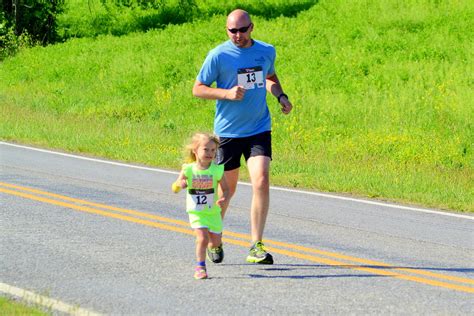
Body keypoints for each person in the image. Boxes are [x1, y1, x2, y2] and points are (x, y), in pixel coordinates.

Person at [192, 9, 293, 265]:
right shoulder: (218, 55)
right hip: (227, 133)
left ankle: (256, 245)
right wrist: (226, 94)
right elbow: (198, 89)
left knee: (261, 181)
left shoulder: (266, 51)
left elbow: (269, 76)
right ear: (227, 30)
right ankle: (215, 236)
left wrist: (281, 95)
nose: (237, 35)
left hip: (259, 128)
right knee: (227, 192)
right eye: (232, 31)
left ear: (252, 27)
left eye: (242, 29)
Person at [172, 132, 229, 279]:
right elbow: (175, 187)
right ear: (195, 150)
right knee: (202, 239)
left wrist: (224, 197)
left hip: (213, 212)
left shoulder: (217, 170)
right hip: (196, 212)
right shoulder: (188, 169)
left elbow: (226, 188)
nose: (210, 153)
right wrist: (180, 184)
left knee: (214, 242)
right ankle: (200, 267)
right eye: (206, 149)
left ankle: (215, 246)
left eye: (213, 150)